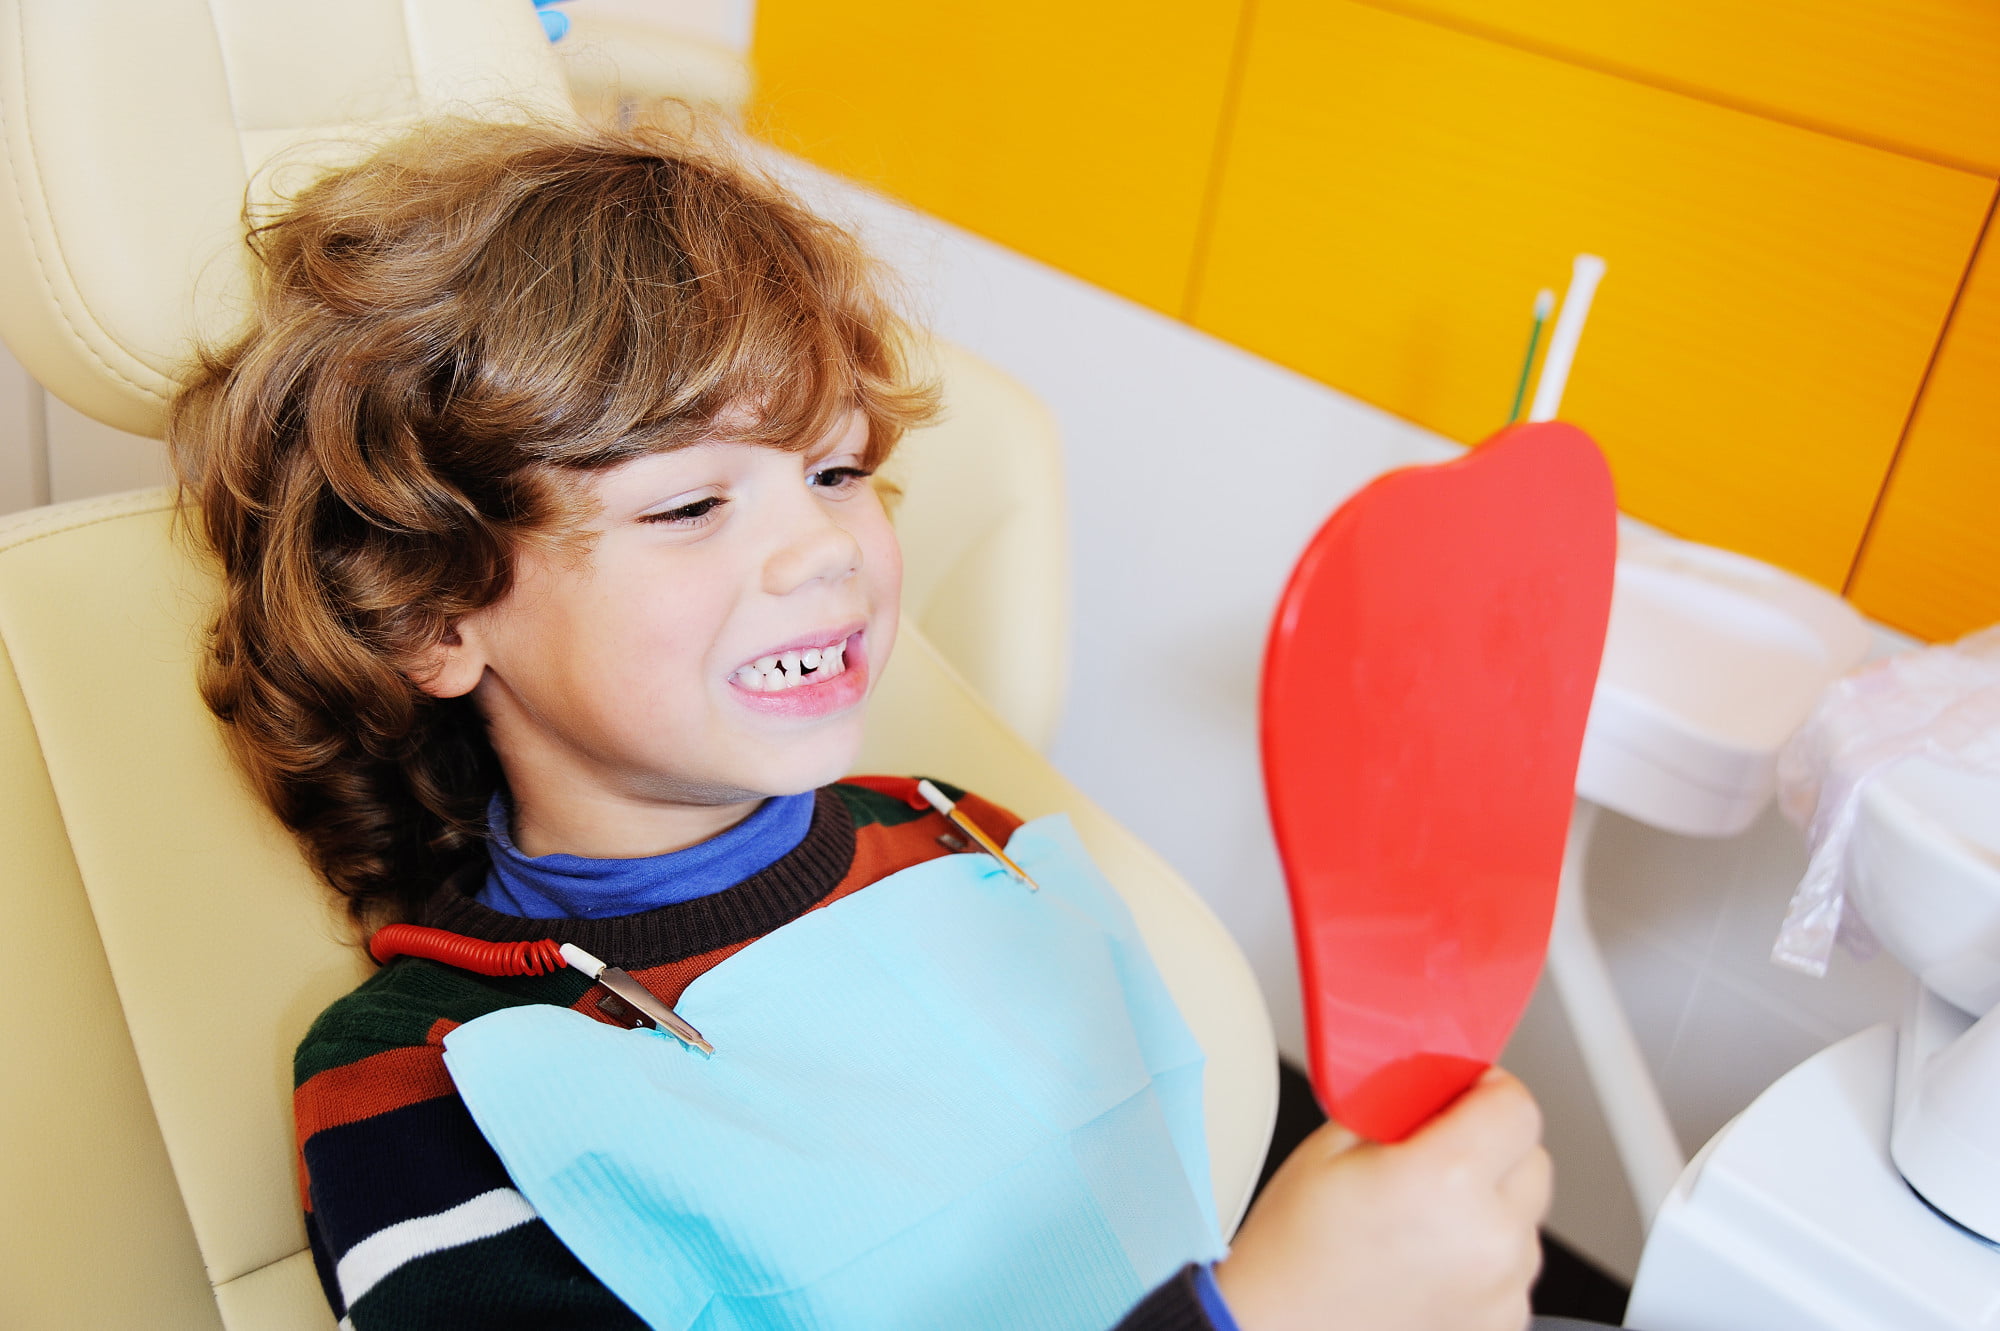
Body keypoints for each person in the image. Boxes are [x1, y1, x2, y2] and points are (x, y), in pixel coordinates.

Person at [168, 114, 1551, 1331]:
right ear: (433, 615)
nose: (825, 550)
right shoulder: (422, 1089)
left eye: (836, 469)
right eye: (691, 504)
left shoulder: (966, 841)